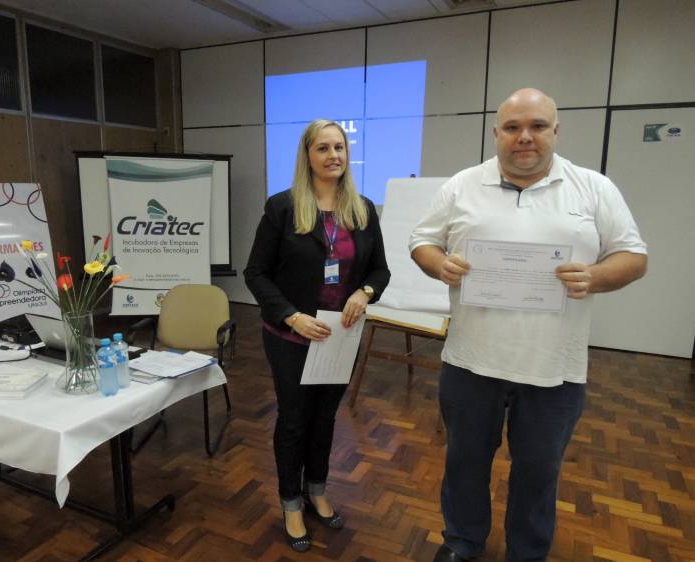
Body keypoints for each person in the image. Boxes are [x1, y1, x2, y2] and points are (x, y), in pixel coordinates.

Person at [409, 88, 647, 562]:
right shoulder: (461, 185)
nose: (524, 137)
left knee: (538, 472)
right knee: (464, 463)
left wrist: (595, 276)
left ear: (555, 131)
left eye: (537, 126)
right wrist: (438, 264)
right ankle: (462, 542)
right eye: (513, 127)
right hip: (471, 362)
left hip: (554, 370)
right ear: (496, 132)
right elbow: (422, 241)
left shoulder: (593, 187)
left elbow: (633, 256)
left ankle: (527, 553)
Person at [244, 119, 390, 553]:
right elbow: (255, 273)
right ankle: (291, 502)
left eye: (339, 147)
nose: (333, 156)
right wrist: (291, 316)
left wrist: (365, 293)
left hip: (339, 338)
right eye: (323, 148)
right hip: (291, 337)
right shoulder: (283, 207)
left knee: (325, 418)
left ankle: (317, 490)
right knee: (293, 421)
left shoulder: (362, 209)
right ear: (307, 156)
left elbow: (380, 270)